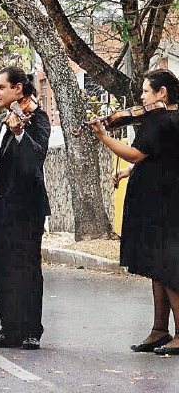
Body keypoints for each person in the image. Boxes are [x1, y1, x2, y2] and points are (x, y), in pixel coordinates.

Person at [90, 68, 179, 355]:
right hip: (169, 197)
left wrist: (103, 136)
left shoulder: (159, 120)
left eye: (145, 91)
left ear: (161, 93)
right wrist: (128, 172)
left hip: (159, 202)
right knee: (159, 266)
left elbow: (137, 153)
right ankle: (159, 329)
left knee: (167, 268)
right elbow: (162, 158)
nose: (141, 98)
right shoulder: (173, 119)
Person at [0, 66, 51, 350]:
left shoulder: (38, 118)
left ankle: (32, 329)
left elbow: (34, 159)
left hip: (26, 207)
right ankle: (9, 329)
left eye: (0, 87)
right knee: (2, 269)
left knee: (28, 268)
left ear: (18, 88)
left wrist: (20, 133)